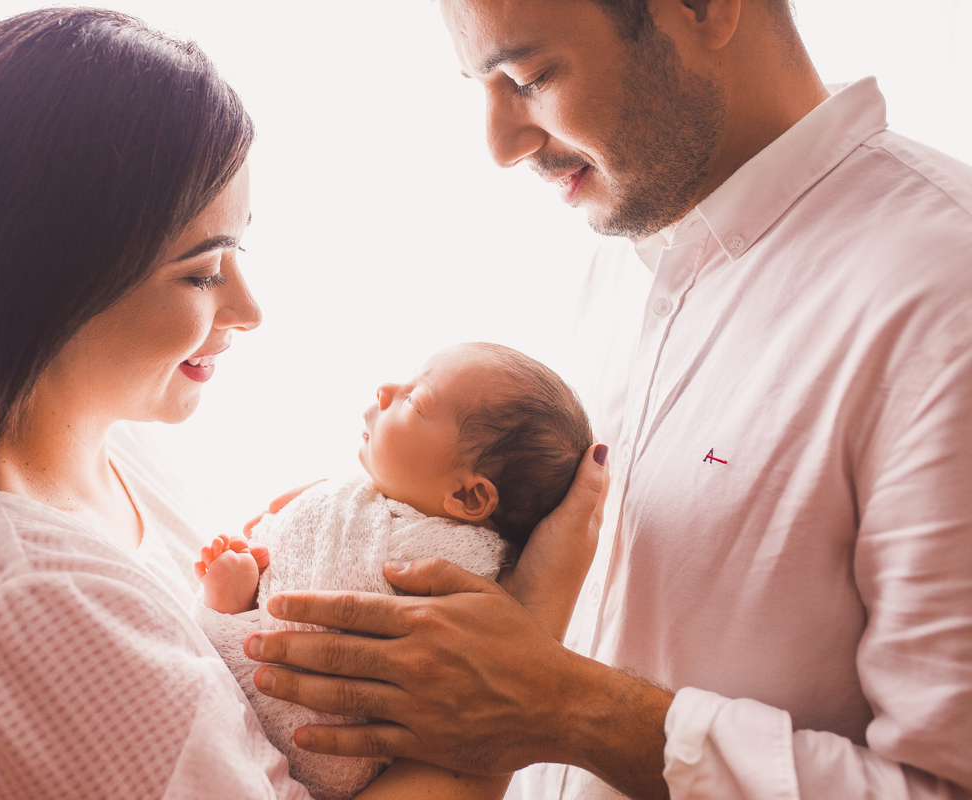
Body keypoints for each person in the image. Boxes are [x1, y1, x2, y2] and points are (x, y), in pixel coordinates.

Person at [0, 8, 611, 800]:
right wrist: (526, 646)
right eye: (203, 271)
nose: (249, 308)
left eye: (239, 248)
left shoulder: (115, 455)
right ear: (46, 284)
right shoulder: (24, 602)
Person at [237, 1, 972, 798]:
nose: (500, 145)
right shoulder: (622, 255)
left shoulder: (942, 304)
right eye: (481, 84)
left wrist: (568, 711)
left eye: (530, 76)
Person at [194, 342, 597, 800]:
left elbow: (337, 620)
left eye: (416, 401)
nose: (386, 390)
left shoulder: (458, 565)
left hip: (316, 739)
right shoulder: (351, 497)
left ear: (468, 498)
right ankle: (234, 615)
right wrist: (263, 567)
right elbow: (295, 571)